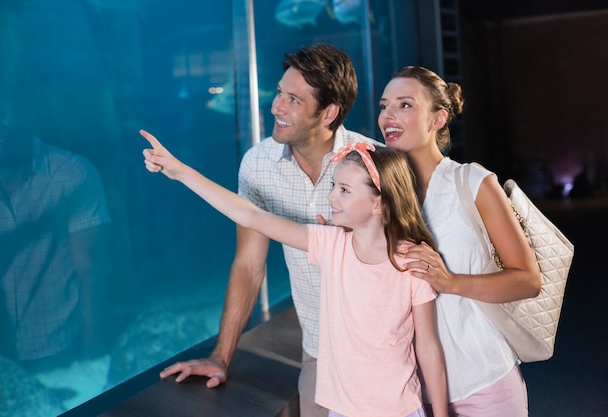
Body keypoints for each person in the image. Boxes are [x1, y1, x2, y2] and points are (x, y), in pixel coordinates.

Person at [142, 129, 449, 417]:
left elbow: (428, 346)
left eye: (344, 190)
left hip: (402, 410)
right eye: (333, 186)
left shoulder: (412, 262)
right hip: (341, 410)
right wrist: (181, 172)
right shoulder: (330, 245)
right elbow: (250, 215)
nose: (331, 197)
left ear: (379, 204)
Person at [158, 43, 377, 416]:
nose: (276, 106)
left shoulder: (375, 163)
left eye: (293, 99)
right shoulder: (258, 165)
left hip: (382, 348)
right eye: (279, 92)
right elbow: (248, 264)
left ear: (328, 113)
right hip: (319, 352)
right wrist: (221, 357)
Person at [377, 66, 542, 417]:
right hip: (409, 390)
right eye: (384, 105)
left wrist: (450, 282)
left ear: (438, 118)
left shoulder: (472, 181)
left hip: (485, 381)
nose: (387, 115)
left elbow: (528, 279)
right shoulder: (381, 194)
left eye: (404, 104)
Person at [0, 92, 110, 372]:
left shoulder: (72, 173)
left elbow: (90, 268)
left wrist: (93, 347)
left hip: (58, 347)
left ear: (17, 112)